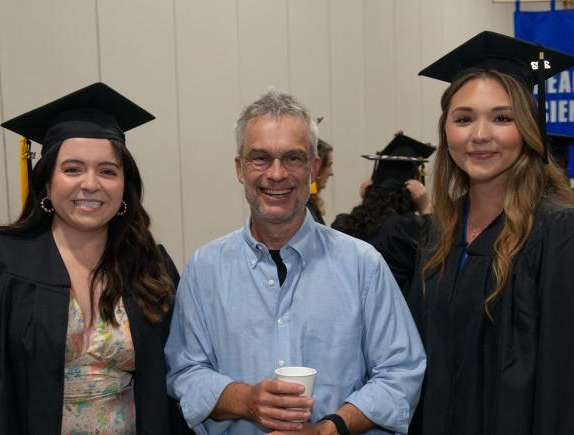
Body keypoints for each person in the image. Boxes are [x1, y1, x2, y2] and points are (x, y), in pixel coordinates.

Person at [165, 89, 425, 434]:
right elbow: (185, 372)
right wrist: (245, 400)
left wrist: (329, 429)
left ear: (313, 168)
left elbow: (400, 372)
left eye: (292, 158)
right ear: (240, 168)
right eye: (260, 158)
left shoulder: (362, 266)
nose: (276, 174)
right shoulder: (205, 270)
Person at [0, 83, 190, 434]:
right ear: (47, 183)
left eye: (107, 171)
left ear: (124, 186)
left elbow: (176, 376)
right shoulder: (3, 261)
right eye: (72, 169)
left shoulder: (150, 266)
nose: (90, 183)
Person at [408, 31, 574, 434]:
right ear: (446, 132)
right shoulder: (437, 236)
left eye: (502, 118)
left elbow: (562, 382)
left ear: (529, 129)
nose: (480, 135)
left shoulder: (558, 231)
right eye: (463, 118)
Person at [331, 133, 434, 292]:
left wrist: (367, 200)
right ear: (412, 189)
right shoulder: (407, 227)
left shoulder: (344, 224)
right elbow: (435, 265)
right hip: (392, 312)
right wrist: (427, 209)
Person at [306, 138, 334, 224]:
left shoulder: (310, 205)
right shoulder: (305, 209)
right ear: (316, 167)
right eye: (328, 165)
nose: (331, 173)